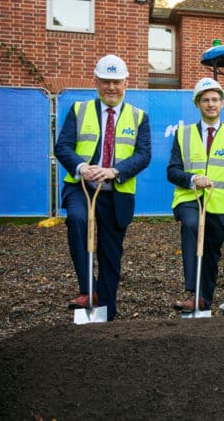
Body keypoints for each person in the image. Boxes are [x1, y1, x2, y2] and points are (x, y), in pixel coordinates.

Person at [55, 54, 152, 321]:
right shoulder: (79, 109)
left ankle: (106, 312)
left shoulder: (139, 117)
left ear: (125, 83)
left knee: (111, 252)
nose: (111, 87)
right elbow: (62, 147)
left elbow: (143, 155)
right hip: (81, 187)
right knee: (77, 219)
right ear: (96, 82)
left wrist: (113, 171)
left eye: (116, 82)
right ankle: (89, 289)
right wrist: (82, 167)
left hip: (116, 192)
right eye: (105, 82)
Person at [167, 77, 224, 313]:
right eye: (205, 100)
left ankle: (204, 300)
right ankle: (193, 291)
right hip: (189, 199)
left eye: (215, 99)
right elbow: (172, 171)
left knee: (212, 252)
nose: (211, 104)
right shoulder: (183, 134)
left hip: (221, 205)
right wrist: (192, 178)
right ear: (197, 104)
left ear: (222, 103)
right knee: (191, 225)